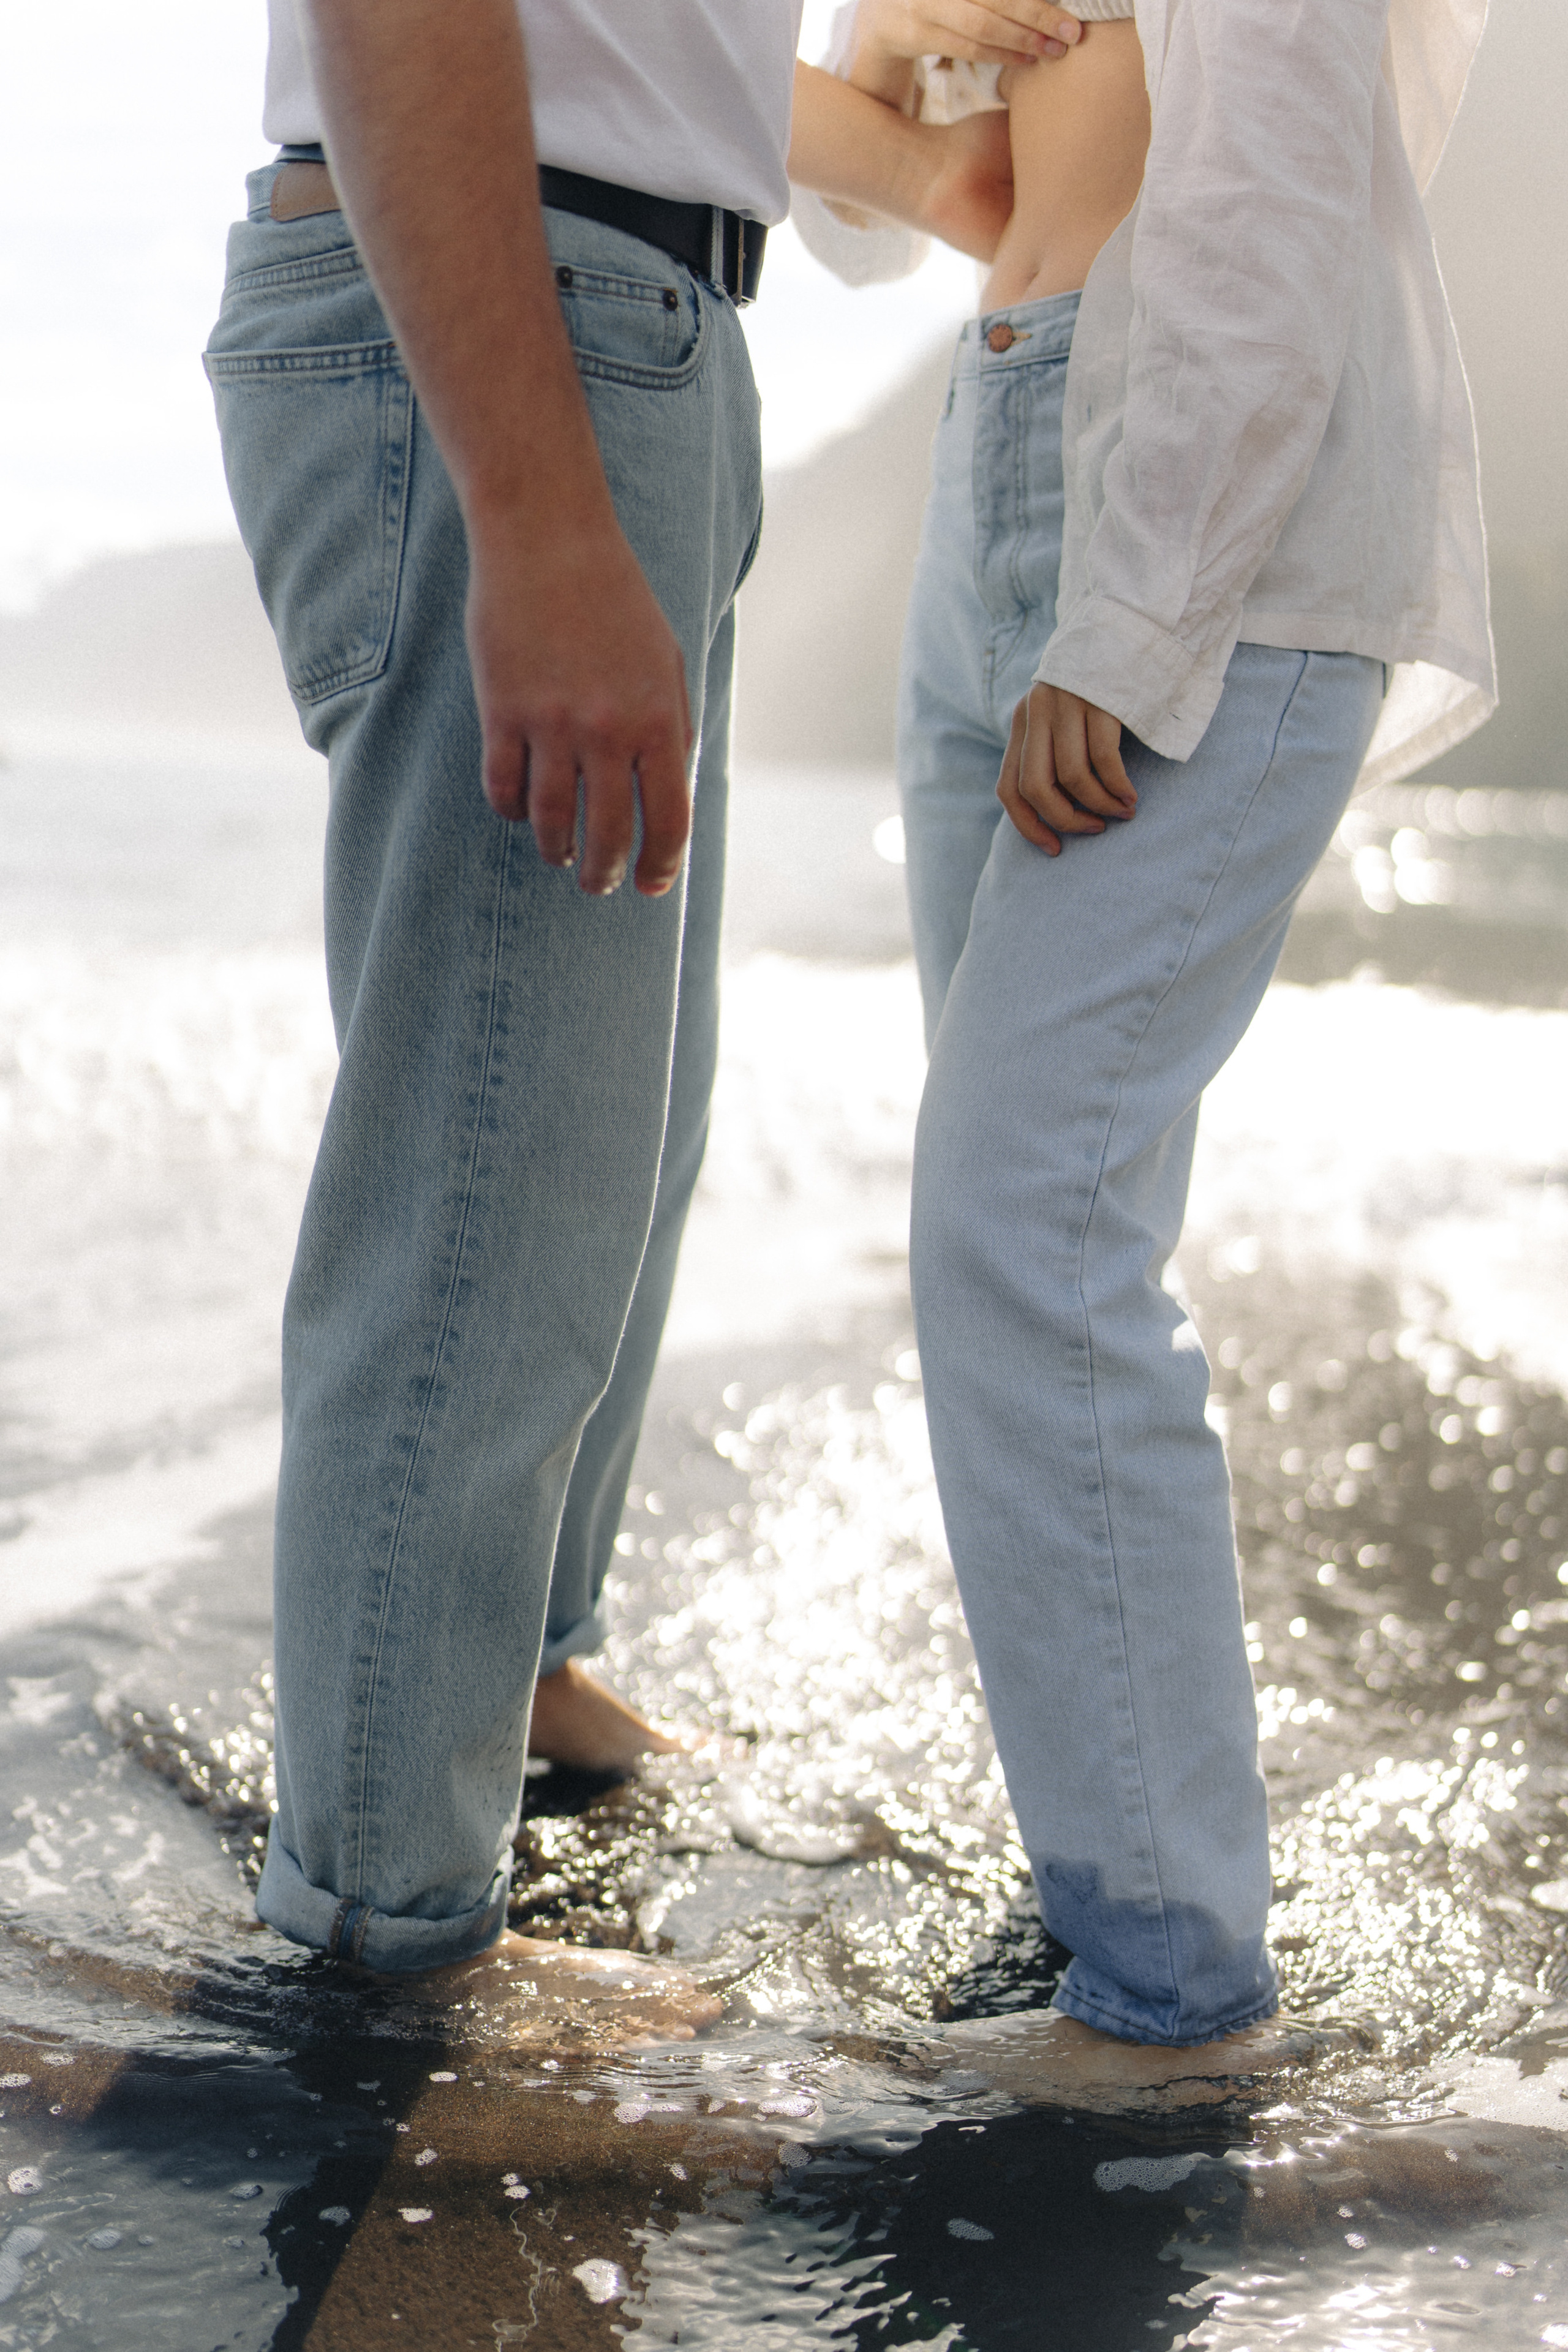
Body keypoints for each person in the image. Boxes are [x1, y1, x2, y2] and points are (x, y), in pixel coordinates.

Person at [204, 0, 1009, 2033]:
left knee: (616, 1134)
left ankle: (517, 1671)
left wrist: (915, 144)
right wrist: (540, 517)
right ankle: (384, 1936)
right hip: (510, 319)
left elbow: (650, 66)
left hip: (619, 318)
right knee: (491, 1184)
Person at [789, 0, 1493, 2077]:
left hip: (1207, 521)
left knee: (1024, 1219)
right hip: (1002, 449)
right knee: (1030, 1221)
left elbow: (1269, 190)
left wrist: (1129, 619)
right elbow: (862, 222)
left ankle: (1172, 1990)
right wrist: (902, 33)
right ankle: (1120, 1879)